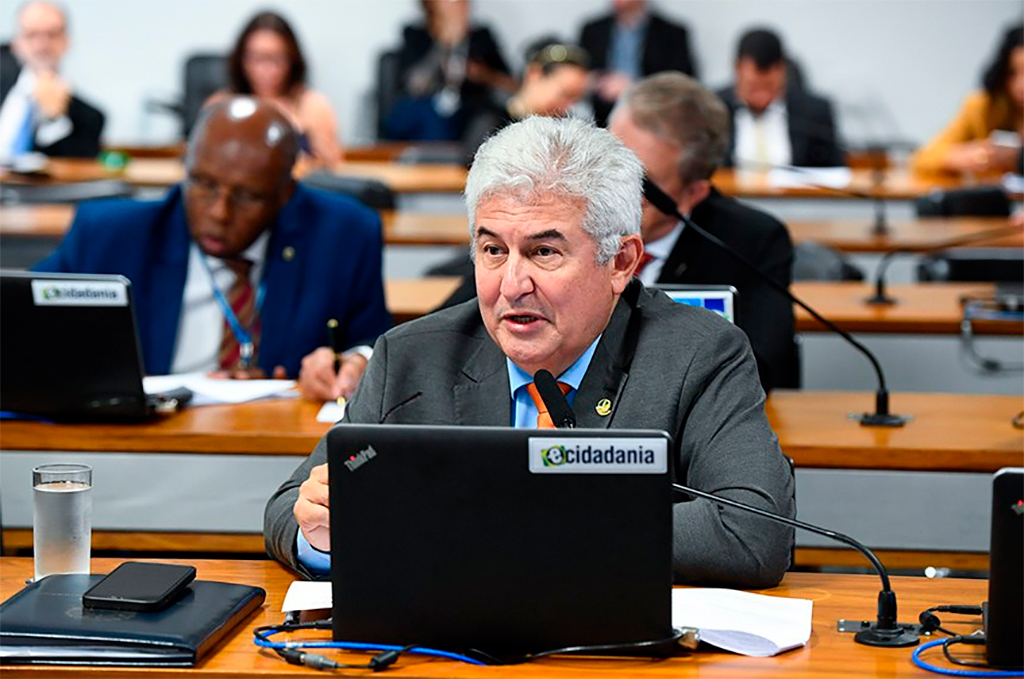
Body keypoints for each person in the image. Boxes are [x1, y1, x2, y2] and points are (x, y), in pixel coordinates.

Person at [264, 116, 795, 587]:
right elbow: (290, 510)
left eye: (544, 251)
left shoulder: (699, 355)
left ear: (620, 263)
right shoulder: (410, 357)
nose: (512, 284)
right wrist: (321, 536)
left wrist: (499, 524)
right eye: (493, 249)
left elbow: (752, 531)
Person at [35, 98, 389, 401]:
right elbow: (25, 321)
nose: (219, 212)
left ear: (285, 194)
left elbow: (374, 341)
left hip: (281, 452)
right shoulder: (110, 238)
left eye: (248, 197)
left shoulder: (344, 236)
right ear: (185, 166)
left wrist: (354, 362)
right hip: (144, 447)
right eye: (203, 185)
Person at [609, 72, 799, 392]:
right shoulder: (564, 224)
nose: (615, 189)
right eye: (611, 165)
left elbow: (757, 367)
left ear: (695, 192)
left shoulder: (749, 242)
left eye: (644, 183)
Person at [207, 11, 341, 166]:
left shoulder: (313, 106)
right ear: (240, 60)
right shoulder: (220, 106)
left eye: (277, 58)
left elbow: (332, 166)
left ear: (293, 59)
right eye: (256, 58)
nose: (266, 69)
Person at [384, 0, 515, 141]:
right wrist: (445, 43)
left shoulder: (481, 36)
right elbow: (414, 85)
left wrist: (483, 75)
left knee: (485, 119)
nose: (459, 4)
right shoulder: (415, 34)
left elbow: (510, 85)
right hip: (421, 109)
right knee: (429, 115)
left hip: (465, 112)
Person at [716, 28, 845, 168]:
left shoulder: (814, 112)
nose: (762, 96)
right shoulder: (713, 108)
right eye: (753, 87)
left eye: (768, 87)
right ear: (737, 68)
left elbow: (836, 171)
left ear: (783, 70)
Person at [911, 24, 1024, 177]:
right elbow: (923, 158)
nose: (1020, 86)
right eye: (1012, 73)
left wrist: (1017, 159)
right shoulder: (986, 107)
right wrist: (969, 155)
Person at [0, 1, 104, 160]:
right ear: (16, 43)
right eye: (31, 35)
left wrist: (53, 120)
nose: (41, 45)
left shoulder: (89, 118)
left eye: (52, 34)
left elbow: (75, 173)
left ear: (66, 41)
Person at [460, 39, 589, 164]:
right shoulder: (489, 122)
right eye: (564, 94)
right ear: (534, 74)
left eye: (576, 99)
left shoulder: (566, 133)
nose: (568, 106)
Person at [578, 0, 698, 126]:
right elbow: (581, 72)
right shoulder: (593, 29)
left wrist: (633, 86)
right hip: (599, 114)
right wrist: (600, 81)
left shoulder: (672, 33)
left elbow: (682, 81)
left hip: (652, 114)